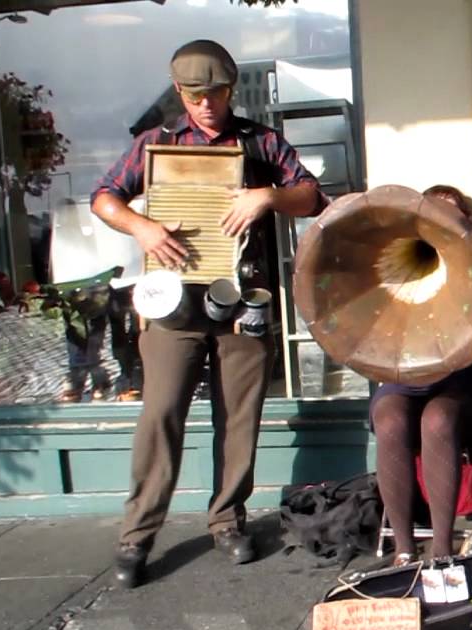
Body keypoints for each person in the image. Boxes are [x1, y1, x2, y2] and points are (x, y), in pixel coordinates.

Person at [91, 40, 329, 588]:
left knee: (239, 418)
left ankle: (227, 520)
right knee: (160, 417)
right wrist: (143, 227)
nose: (206, 104)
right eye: (195, 95)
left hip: (242, 299)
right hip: (172, 301)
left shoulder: (261, 142)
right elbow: (104, 197)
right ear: (180, 92)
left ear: (230, 89)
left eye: (216, 93)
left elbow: (312, 197)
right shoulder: (157, 143)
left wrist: (266, 196)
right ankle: (137, 536)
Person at [370, 186, 472, 564]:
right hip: (408, 372)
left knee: (438, 420)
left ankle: (442, 549)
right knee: (391, 419)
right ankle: (404, 549)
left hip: (462, 377)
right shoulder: (404, 252)